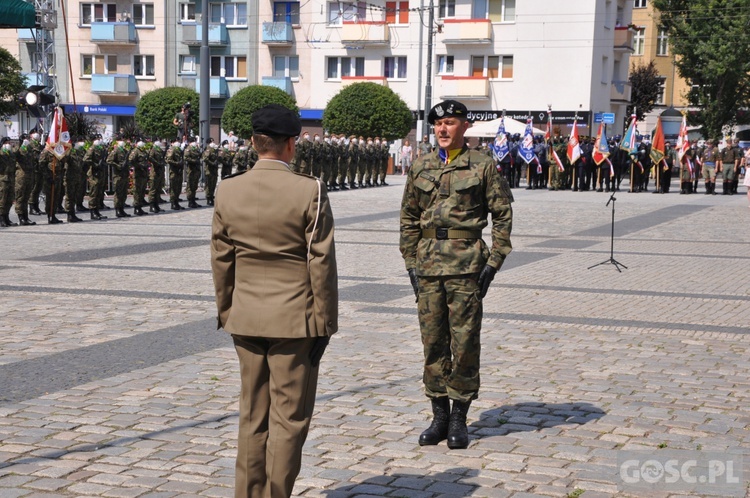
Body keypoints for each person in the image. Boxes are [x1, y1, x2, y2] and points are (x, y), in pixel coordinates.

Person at [210, 104, 338, 498]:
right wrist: (325, 322)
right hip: (295, 321)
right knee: (289, 420)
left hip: (245, 317)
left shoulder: (227, 189)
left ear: (252, 142)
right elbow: (321, 260)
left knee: (252, 417)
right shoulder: (308, 189)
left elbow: (221, 258)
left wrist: (228, 310)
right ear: (291, 145)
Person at [400, 100, 513, 450]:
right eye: (438, 124)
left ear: (464, 126)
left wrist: (493, 262)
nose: (443, 130)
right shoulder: (421, 166)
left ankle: (460, 418)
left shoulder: (482, 165)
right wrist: (410, 264)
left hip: (466, 268)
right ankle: (439, 416)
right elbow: (408, 218)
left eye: (450, 123)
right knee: (433, 343)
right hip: (429, 266)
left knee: (464, 343)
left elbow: (502, 215)